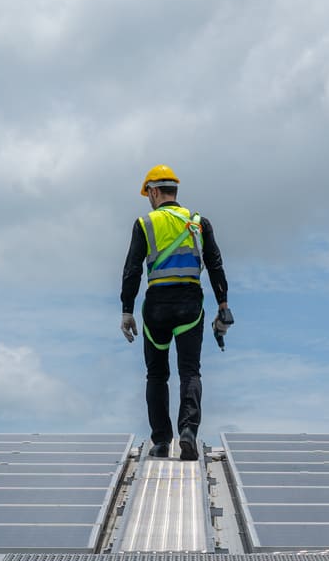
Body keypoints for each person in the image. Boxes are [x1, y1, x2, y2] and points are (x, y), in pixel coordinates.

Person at [120, 164, 231, 461]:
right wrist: (223, 305)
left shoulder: (145, 223)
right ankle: (188, 432)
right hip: (190, 304)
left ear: (154, 191)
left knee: (156, 374)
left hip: (156, 305)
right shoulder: (198, 223)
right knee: (190, 371)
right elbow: (216, 264)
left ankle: (160, 441)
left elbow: (132, 270)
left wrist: (127, 311)